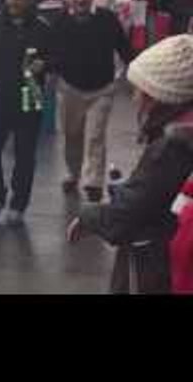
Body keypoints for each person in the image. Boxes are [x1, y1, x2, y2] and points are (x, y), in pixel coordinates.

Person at [67, 34, 193, 294]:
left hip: (152, 267)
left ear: (158, 95)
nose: (134, 98)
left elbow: (125, 218)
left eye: (139, 90)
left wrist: (88, 215)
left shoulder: (172, 147)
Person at [0, 0, 52, 227]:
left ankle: (18, 205)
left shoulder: (42, 27)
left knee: (25, 153)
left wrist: (46, 64)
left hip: (30, 94)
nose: (13, 2)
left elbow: (57, 56)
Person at [52, 0, 133, 203]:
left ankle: (93, 182)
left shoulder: (107, 19)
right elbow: (50, 53)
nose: (80, 0)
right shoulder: (59, 22)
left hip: (102, 88)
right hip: (70, 88)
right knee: (72, 136)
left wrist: (136, 72)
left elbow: (124, 47)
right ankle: (72, 173)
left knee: (96, 136)